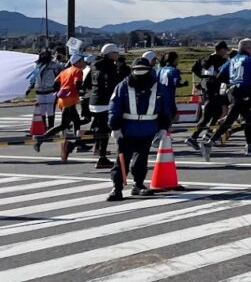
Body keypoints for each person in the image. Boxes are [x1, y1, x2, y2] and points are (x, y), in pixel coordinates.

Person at [106, 57, 173, 201]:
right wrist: (115, 126)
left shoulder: (158, 87)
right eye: (137, 71)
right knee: (122, 159)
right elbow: (114, 107)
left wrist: (163, 127)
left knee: (141, 159)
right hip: (126, 129)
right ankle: (117, 187)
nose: (140, 74)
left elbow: (166, 109)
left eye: (144, 70)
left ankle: (138, 184)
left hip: (148, 129)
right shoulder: (123, 86)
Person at [200, 38, 251, 159]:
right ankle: (209, 143)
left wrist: (231, 82)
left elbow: (220, 76)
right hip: (243, 91)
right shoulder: (250, 60)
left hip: (232, 90)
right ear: (248, 48)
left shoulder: (231, 60)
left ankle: (249, 146)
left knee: (248, 118)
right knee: (230, 120)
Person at [35, 54, 88, 153]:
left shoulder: (65, 71)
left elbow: (55, 83)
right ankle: (41, 139)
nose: (83, 63)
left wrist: (62, 90)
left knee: (76, 121)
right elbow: (77, 84)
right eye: (82, 61)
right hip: (70, 100)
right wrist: (81, 91)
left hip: (63, 99)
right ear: (77, 62)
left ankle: (80, 144)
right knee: (63, 125)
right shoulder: (77, 71)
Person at [88, 43, 126, 169]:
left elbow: (87, 82)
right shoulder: (110, 67)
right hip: (105, 101)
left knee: (99, 129)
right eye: (116, 53)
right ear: (110, 54)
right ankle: (102, 157)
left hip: (94, 101)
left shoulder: (94, 65)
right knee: (108, 129)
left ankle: (97, 152)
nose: (118, 55)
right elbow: (115, 84)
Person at [187, 42, 229, 150]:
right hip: (213, 88)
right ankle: (193, 137)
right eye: (225, 50)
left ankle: (208, 134)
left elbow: (194, 68)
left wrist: (203, 78)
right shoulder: (220, 60)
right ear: (220, 49)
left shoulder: (205, 58)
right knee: (208, 115)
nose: (226, 52)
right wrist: (211, 78)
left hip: (207, 87)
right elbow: (224, 74)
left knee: (218, 112)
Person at [26, 50, 63, 134]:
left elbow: (61, 76)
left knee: (50, 111)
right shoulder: (36, 65)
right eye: (42, 55)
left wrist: (57, 88)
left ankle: (51, 128)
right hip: (39, 91)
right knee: (41, 111)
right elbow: (33, 78)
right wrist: (30, 88)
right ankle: (43, 127)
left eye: (45, 55)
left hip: (50, 91)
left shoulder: (54, 66)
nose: (43, 56)